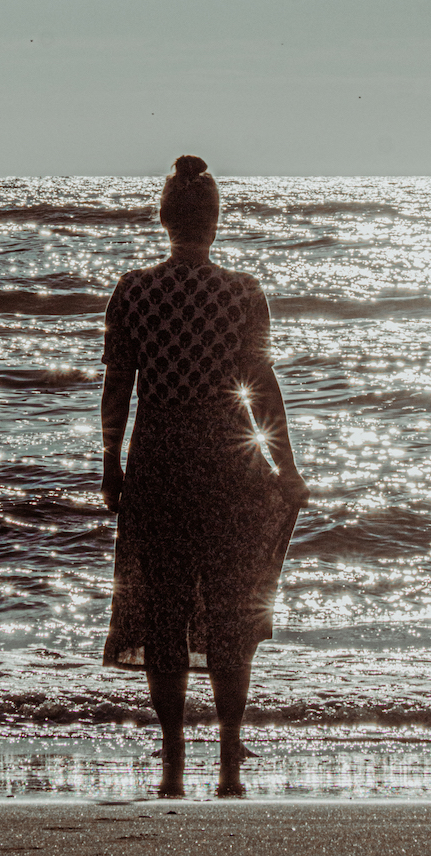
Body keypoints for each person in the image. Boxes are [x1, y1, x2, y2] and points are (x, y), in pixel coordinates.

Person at [99, 155, 309, 798]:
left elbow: (118, 387)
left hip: (159, 463)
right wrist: (287, 465)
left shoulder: (132, 290)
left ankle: (171, 754)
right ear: (215, 221)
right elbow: (261, 385)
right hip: (229, 467)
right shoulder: (242, 291)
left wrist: (110, 462)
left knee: (164, 611)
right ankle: (228, 748)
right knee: (228, 612)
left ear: (165, 219)